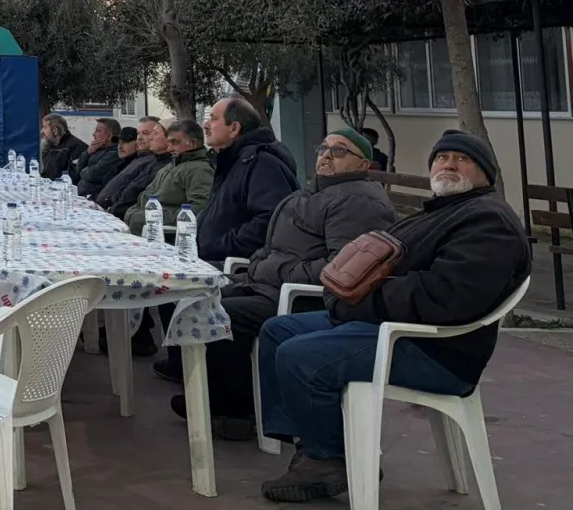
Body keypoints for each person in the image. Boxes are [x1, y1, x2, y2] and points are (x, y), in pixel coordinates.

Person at [256, 131, 529, 503]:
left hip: (436, 350)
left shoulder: (488, 221)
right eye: (441, 157)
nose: (448, 164)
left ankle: (327, 457)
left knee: (298, 355)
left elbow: (445, 295)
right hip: (393, 328)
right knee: (278, 330)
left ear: (485, 173)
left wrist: (359, 302)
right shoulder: (444, 210)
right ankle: (316, 444)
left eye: (461, 159)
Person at [162, 128, 397, 434]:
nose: (327, 156)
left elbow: (344, 268)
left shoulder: (358, 201)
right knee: (197, 293)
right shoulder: (309, 194)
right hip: (267, 284)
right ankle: (206, 390)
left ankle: (236, 411)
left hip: (304, 299)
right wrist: (257, 267)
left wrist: (276, 271)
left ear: (363, 164)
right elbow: (271, 247)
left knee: (223, 313)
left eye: (340, 151)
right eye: (324, 148)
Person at [198, 96, 300, 263]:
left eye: (213, 118)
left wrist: (221, 247)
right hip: (213, 260)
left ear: (234, 128)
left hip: (236, 268)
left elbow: (269, 220)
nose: (206, 125)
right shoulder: (232, 161)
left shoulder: (261, 163)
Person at [124, 119, 214, 237]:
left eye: (175, 142)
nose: (169, 148)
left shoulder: (200, 170)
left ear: (192, 143)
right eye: (169, 142)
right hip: (140, 231)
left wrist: (155, 217)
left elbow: (199, 211)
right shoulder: (172, 166)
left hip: (162, 238)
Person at [96, 118, 172, 218]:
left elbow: (137, 196)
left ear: (170, 139)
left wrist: (112, 210)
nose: (139, 138)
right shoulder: (146, 160)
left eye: (146, 133)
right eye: (138, 133)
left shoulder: (158, 163)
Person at [74, 118, 124, 197]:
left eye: (98, 131)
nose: (94, 134)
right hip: (82, 195)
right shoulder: (98, 148)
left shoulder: (115, 153)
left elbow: (93, 174)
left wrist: (84, 170)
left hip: (95, 197)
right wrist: (88, 152)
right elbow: (78, 169)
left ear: (110, 136)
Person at [40, 114, 89, 179]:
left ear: (55, 130)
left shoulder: (76, 147)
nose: (42, 131)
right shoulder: (50, 145)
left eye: (45, 127)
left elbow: (77, 177)